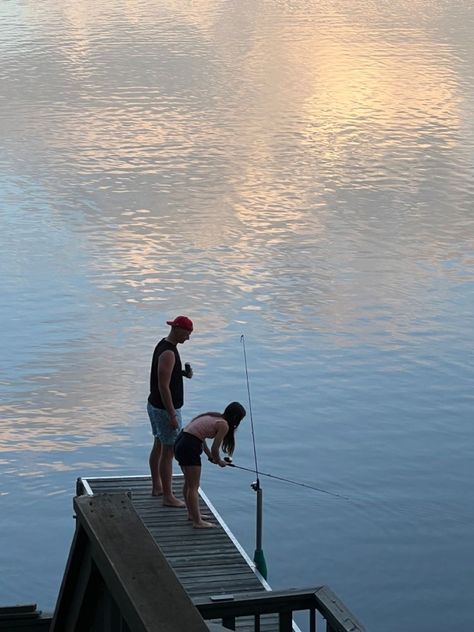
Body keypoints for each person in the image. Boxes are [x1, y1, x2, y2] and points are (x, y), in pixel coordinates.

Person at [174, 402, 246, 528]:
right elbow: (215, 449)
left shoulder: (214, 417)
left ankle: (192, 514)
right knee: (194, 486)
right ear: (236, 418)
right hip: (189, 446)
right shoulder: (223, 425)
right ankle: (197, 522)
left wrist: (210, 456)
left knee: (189, 483)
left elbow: (200, 437)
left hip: (181, 441)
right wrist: (219, 462)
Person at [147, 315, 194, 506]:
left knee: (159, 444)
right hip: (165, 410)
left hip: (156, 406)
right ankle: (168, 496)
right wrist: (172, 415)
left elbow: (167, 374)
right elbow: (163, 385)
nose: (188, 338)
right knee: (168, 452)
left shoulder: (165, 347)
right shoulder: (168, 353)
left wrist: (183, 374)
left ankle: (157, 486)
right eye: (187, 333)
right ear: (177, 329)